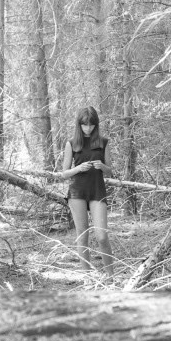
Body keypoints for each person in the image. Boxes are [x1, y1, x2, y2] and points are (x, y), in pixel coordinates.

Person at [62, 106, 114, 276]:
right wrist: (79, 168)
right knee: (82, 237)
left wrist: (102, 166)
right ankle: (87, 278)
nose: (88, 128)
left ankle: (110, 277)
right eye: (84, 125)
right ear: (79, 124)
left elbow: (110, 171)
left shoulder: (103, 142)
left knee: (102, 236)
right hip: (77, 192)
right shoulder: (71, 143)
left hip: (97, 191)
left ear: (96, 125)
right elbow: (64, 173)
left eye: (91, 125)